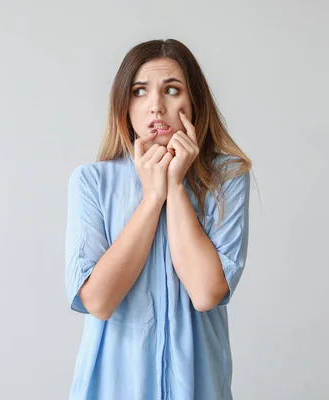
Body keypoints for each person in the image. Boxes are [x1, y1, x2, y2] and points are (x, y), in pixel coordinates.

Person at [64, 38, 252, 400]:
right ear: (124, 104)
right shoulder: (92, 181)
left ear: (193, 101)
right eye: (139, 91)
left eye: (171, 89)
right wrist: (152, 198)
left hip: (198, 387)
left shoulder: (227, 177)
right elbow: (98, 301)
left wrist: (176, 186)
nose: (156, 106)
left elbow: (206, 292)